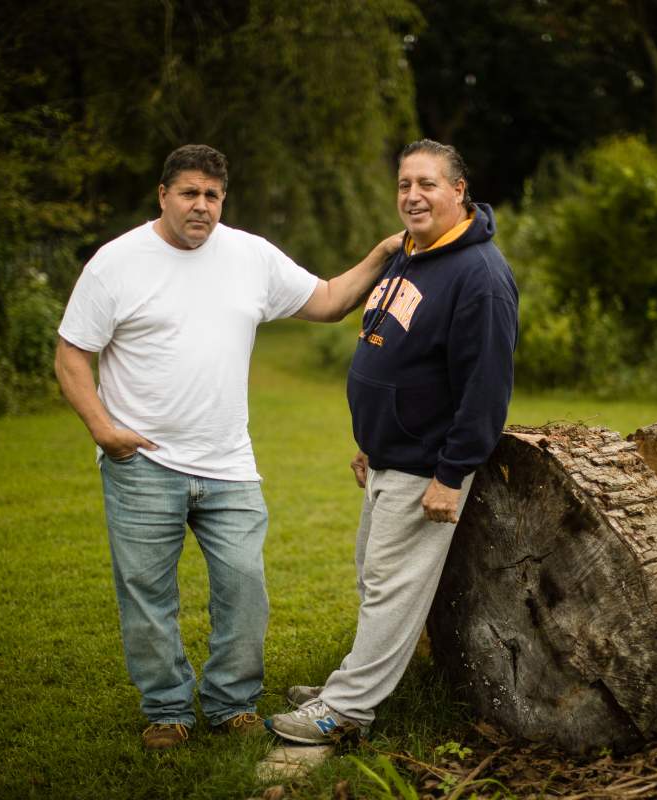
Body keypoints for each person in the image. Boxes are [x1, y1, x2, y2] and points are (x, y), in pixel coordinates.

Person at [55, 144, 402, 751]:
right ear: (162, 195)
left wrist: (379, 255)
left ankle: (231, 701)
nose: (201, 206)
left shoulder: (250, 256)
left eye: (212, 195)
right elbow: (71, 353)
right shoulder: (116, 264)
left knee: (244, 585)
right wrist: (104, 430)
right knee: (147, 593)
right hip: (143, 462)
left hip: (229, 463)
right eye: (189, 193)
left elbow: (325, 300)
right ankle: (166, 709)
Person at [265, 139, 519, 744]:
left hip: (426, 466)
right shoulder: (409, 255)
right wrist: (371, 441)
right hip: (387, 456)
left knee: (389, 588)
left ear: (459, 191)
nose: (413, 195)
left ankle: (347, 710)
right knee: (373, 577)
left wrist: (450, 474)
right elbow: (391, 350)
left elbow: (485, 390)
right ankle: (352, 682)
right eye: (405, 184)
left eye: (428, 184)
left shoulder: (479, 277)